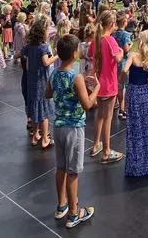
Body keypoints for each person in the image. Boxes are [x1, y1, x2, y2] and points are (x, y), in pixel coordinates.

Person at [46, 34, 98, 229]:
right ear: (75, 55)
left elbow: (48, 93)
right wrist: (96, 88)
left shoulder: (55, 74)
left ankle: (61, 205)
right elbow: (87, 105)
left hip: (58, 127)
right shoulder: (76, 77)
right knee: (73, 170)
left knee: (60, 167)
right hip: (74, 128)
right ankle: (75, 213)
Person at [122, 29, 148, 177]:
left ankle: (134, 164)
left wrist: (121, 80)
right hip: (145, 93)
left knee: (134, 127)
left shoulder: (133, 56)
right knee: (147, 126)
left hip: (133, 92)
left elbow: (124, 70)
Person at [89, 10, 124, 164]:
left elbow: (90, 54)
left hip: (98, 84)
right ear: (112, 24)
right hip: (109, 84)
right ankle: (107, 151)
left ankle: (96, 144)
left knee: (100, 115)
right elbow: (117, 59)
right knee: (108, 117)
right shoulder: (110, 41)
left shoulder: (95, 41)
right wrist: (122, 52)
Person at [21, 18, 56, 149]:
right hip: (41, 81)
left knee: (34, 108)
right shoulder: (44, 47)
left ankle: (35, 134)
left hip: (31, 80)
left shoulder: (30, 46)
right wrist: (56, 56)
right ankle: (45, 138)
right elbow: (46, 62)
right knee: (44, 111)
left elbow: (21, 54)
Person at [112, 11, 133, 121]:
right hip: (124, 63)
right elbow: (125, 49)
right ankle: (124, 109)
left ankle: (120, 107)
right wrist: (131, 45)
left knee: (119, 87)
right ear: (124, 22)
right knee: (127, 86)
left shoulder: (114, 34)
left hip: (116, 62)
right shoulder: (125, 34)